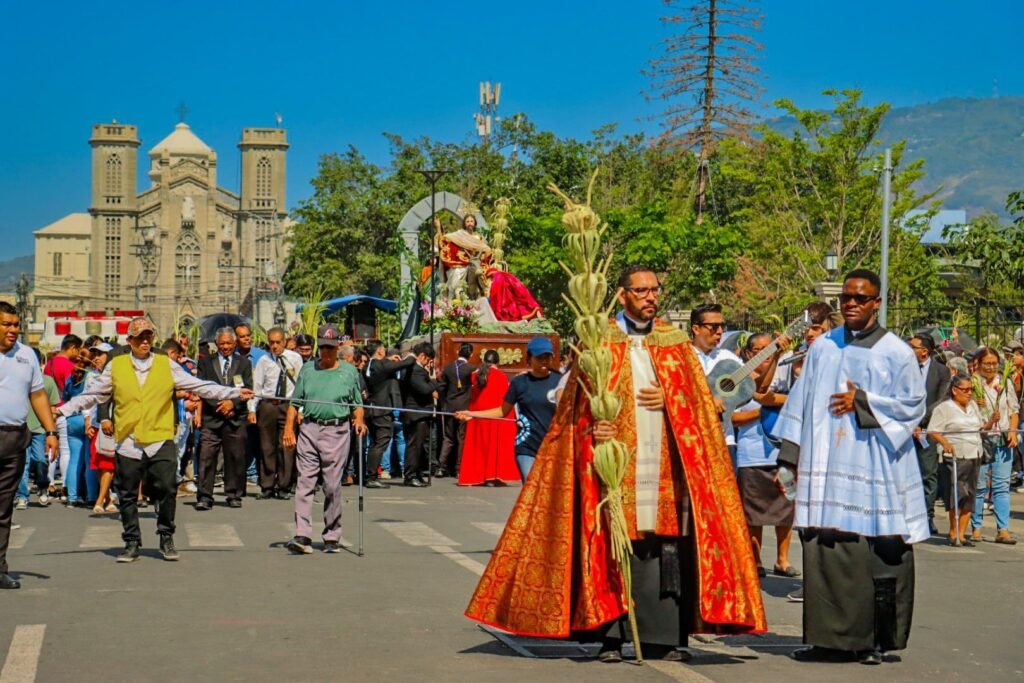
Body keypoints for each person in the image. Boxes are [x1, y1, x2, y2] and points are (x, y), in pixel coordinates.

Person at [464, 266, 766, 662]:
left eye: (655, 290)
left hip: (664, 469)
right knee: (610, 544)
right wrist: (593, 427)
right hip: (612, 467)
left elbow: (703, 407)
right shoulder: (598, 341)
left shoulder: (675, 344)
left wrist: (671, 401)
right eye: (641, 291)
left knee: (663, 548)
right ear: (622, 295)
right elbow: (572, 404)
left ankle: (664, 639)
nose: (650, 297)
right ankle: (610, 636)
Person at [776, 269, 927, 665]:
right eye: (846, 298)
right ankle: (828, 641)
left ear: (877, 302)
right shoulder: (824, 347)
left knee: (878, 549)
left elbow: (914, 406)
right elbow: (799, 401)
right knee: (825, 547)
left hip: (876, 466)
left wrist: (863, 401)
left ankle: (873, 641)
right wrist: (789, 458)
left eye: (861, 298)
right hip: (826, 465)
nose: (852, 304)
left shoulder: (896, 352)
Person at [58, 318, 251, 563]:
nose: (145, 341)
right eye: (140, 337)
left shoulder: (165, 364)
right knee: (127, 494)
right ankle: (131, 541)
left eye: (148, 336)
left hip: (160, 437)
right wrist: (62, 410)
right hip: (128, 439)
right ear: (130, 340)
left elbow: (200, 386)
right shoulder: (116, 366)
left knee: (168, 488)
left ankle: (166, 536)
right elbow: (93, 394)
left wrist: (234, 392)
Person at [282, 325, 367, 554]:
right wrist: (289, 429)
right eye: (323, 348)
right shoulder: (308, 370)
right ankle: (302, 534)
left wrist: (359, 420)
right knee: (305, 482)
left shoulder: (349, 372)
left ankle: (332, 534)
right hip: (309, 429)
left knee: (331, 485)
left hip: (336, 432)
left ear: (338, 346)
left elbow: (357, 404)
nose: (326, 352)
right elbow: (295, 403)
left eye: (330, 347)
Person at [0, 302, 59, 589]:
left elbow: (37, 395)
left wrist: (51, 431)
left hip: (13, 438)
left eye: (16, 325)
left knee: (3, 508)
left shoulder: (26, 355)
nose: (13, 330)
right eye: (6, 325)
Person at [733, 333, 797, 578]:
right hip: (752, 457)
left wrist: (775, 400)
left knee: (786, 508)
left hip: (782, 455)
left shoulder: (785, 374)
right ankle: (756, 559)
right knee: (753, 513)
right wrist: (763, 409)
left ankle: (783, 559)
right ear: (749, 354)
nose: (765, 354)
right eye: (759, 350)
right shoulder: (739, 381)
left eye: (769, 348)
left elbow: (795, 401)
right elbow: (734, 418)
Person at [458, 337, 561, 482]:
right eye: (539, 357)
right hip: (527, 446)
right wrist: (472, 414)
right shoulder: (519, 383)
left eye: (547, 357)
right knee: (531, 486)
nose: (544, 361)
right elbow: (501, 411)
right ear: (529, 358)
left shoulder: (560, 381)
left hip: (554, 444)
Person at [195, 327, 253, 510]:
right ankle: (205, 496)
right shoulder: (205, 362)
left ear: (234, 343)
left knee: (235, 457)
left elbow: (248, 389)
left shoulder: (244, 363)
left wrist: (232, 404)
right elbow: (202, 388)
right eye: (222, 343)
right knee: (207, 457)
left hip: (235, 418)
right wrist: (221, 404)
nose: (226, 347)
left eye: (229, 343)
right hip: (212, 417)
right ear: (216, 344)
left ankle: (233, 494)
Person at [928, 376, 989, 546]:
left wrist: (992, 421)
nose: (969, 393)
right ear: (954, 390)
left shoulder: (973, 406)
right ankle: (953, 531)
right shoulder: (944, 408)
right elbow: (933, 431)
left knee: (970, 494)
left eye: (971, 390)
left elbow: (981, 428)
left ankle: (962, 534)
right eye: (965, 390)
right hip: (956, 455)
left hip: (974, 453)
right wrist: (945, 443)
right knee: (958, 494)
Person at [969, 347, 1019, 544]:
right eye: (986, 364)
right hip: (981, 439)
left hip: (1002, 439)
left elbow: (1014, 411)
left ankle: (1003, 529)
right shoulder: (973, 383)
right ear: (978, 364)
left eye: (994, 363)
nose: (990, 367)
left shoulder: (1005, 383)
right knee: (979, 486)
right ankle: (976, 527)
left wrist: (1012, 432)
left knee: (1001, 486)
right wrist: (976, 401)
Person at [249, 327, 303, 500]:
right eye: (271, 342)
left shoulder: (294, 358)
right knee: (267, 447)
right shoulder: (264, 361)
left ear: (284, 342)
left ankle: (284, 486)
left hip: (288, 406)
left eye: (278, 342)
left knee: (286, 446)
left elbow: (301, 385)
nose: (274, 346)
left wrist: (301, 409)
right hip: (268, 406)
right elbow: (257, 386)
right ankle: (267, 485)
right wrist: (252, 409)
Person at [908, 334, 951, 536]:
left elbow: (942, 399)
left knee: (928, 473)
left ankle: (927, 516)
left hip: (927, 429)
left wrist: (921, 422)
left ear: (924, 351)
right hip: (905, 429)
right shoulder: (904, 368)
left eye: (913, 347)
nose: (909, 350)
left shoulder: (941, 371)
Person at [457, 350, 518, 486]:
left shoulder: (476, 375)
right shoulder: (500, 376)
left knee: (478, 447)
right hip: (494, 416)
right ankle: (491, 476)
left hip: (477, 415)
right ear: (497, 362)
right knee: (493, 448)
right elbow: (505, 401)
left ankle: (477, 476)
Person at [689, 303, 741, 461]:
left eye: (722, 326)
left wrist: (774, 354)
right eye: (714, 326)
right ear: (696, 329)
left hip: (725, 441)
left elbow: (756, 384)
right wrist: (707, 398)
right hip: (691, 440)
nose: (720, 331)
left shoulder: (727, 357)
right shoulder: (681, 357)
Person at [364, 341, 415, 488]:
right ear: (380, 351)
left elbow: (384, 367)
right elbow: (406, 363)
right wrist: (410, 356)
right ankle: (372, 476)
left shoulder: (369, 365)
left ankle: (370, 474)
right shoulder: (380, 365)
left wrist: (388, 360)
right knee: (382, 441)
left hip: (372, 408)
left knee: (375, 442)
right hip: (381, 410)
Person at [14, 347, 58, 510]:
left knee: (40, 460)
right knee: (23, 463)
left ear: (39, 362)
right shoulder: (17, 379)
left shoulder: (48, 381)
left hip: (40, 430)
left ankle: (43, 486)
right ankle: (22, 495)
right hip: (21, 428)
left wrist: (51, 431)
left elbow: (53, 408)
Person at [84, 342, 117, 514]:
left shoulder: (118, 374)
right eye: (94, 354)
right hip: (96, 424)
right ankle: (108, 499)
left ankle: (99, 500)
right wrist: (87, 421)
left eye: (100, 354)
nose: (96, 358)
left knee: (108, 463)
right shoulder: (91, 376)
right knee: (99, 463)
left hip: (112, 424)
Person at [400, 342, 438, 487]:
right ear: (422, 356)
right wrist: (433, 380)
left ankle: (417, 472)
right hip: (416, 413)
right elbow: (424, 389)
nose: (428, 363)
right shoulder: (415, 370)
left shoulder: (418, 370)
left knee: (420, 446)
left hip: (421, 413)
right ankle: (410, 475)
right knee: (414, 446)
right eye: (428, 360)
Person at [436, 343, 475, 478]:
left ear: (458, 352)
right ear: (471, 355)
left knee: (448, 438)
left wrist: (444, 403)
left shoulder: (448, 368)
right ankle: (459, 468)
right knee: (461, 437)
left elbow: (441, 388)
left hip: (449, 407)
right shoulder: (471, 369)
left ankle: (441, 467)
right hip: (464, 407)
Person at [234, 323, 265, 487]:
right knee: (242, 439)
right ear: (236, 339)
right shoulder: (232, 356)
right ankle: (246, 471)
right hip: (239, 403)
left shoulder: (261, 356)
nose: (246, 339)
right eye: (242, 336)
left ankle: (255, 471)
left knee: (258, 439)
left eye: (248, 335)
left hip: (259, 402)